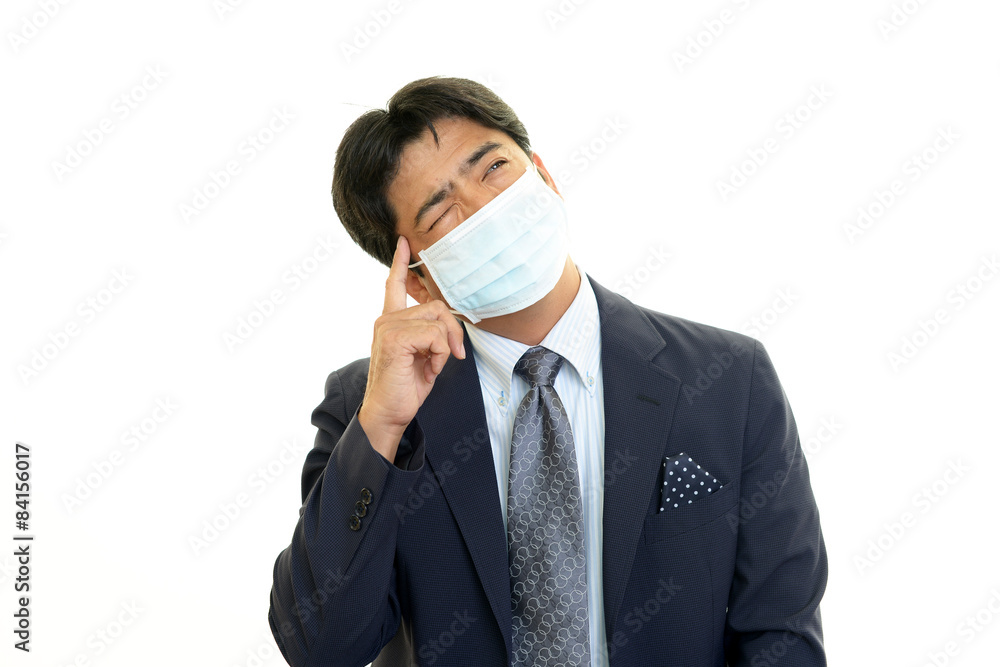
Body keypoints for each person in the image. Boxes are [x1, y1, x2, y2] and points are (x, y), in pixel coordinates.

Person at [268, 76, 828, 667]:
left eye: (494, 168)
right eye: (441, 210)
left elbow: (781, 633)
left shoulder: (729, 379)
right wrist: (381, 425)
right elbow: (320, 647)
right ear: (419, 279)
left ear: (544, 177)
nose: (484, 206)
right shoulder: (368, 408)